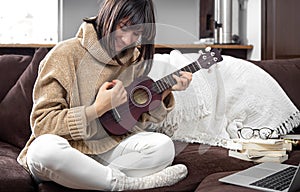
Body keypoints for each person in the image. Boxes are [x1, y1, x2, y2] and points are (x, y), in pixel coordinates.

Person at [17, 0, 192, 191]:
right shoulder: (64, 54)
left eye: (136, 34)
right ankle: (125, 184)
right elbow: (43, 124)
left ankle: (90, 178)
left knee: (163, 147)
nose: (127, 40)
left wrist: (165, 92)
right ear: (109, 15)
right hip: (65, 150)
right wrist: (97, 109)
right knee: (43, 151)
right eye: (123, 27)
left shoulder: (132, 60)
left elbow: (131, 123)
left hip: (106, 150)